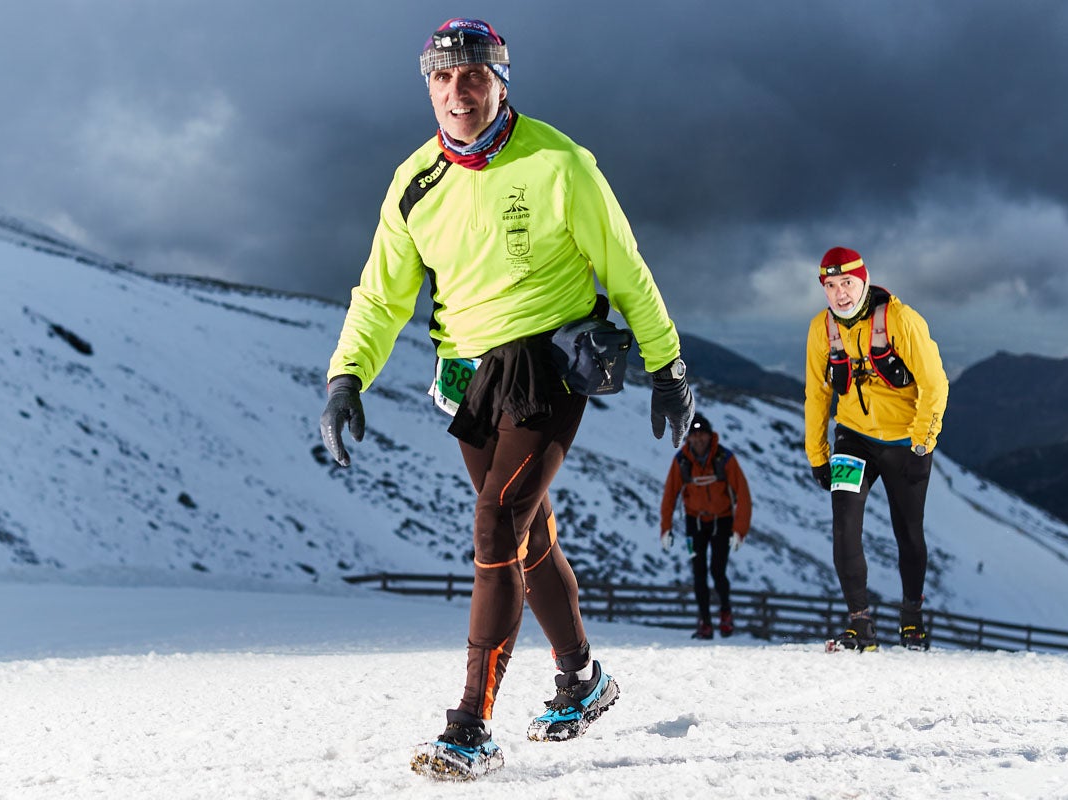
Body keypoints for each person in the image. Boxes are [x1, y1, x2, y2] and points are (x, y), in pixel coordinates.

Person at [318, 18, 694, 781]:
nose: (459, 92)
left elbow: (626, 270)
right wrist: (346, 375)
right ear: (428, 84)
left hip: (550, 362)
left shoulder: (560, 163)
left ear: (501, 80)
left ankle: (469, 728)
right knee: (528, 538)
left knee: (496, 519)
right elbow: (382, 294)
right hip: (467, 376)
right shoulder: (415, 180)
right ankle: (582, 679)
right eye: (444, 78)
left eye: (475, 76)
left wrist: (671, 366)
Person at [803, 247, 948, 652]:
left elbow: (935, 385)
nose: (840, 294)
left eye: (846, 283)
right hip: (854, 439)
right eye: (830, 286)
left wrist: (923, 442)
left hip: (906, 442)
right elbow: (817, 393)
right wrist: (817, 454)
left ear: (863, 280)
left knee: (909, 533)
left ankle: (912, 622)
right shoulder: (822, 329)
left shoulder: (902, 319)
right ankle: (860, 625)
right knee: (844, 526)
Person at [660, 412, 752, 639]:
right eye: (695, 435)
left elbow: (743, 495)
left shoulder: (724, 458)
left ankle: (725, 615)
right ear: (689, 438)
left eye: (703, 435)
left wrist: (739, 530)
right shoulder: (681, 461)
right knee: (698, 572)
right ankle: (705, 623)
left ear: (711, 436)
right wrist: (666, 527)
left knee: (717, 570)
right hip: (695, 523)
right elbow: (670, 495)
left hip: (722, 522)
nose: (699, 439)